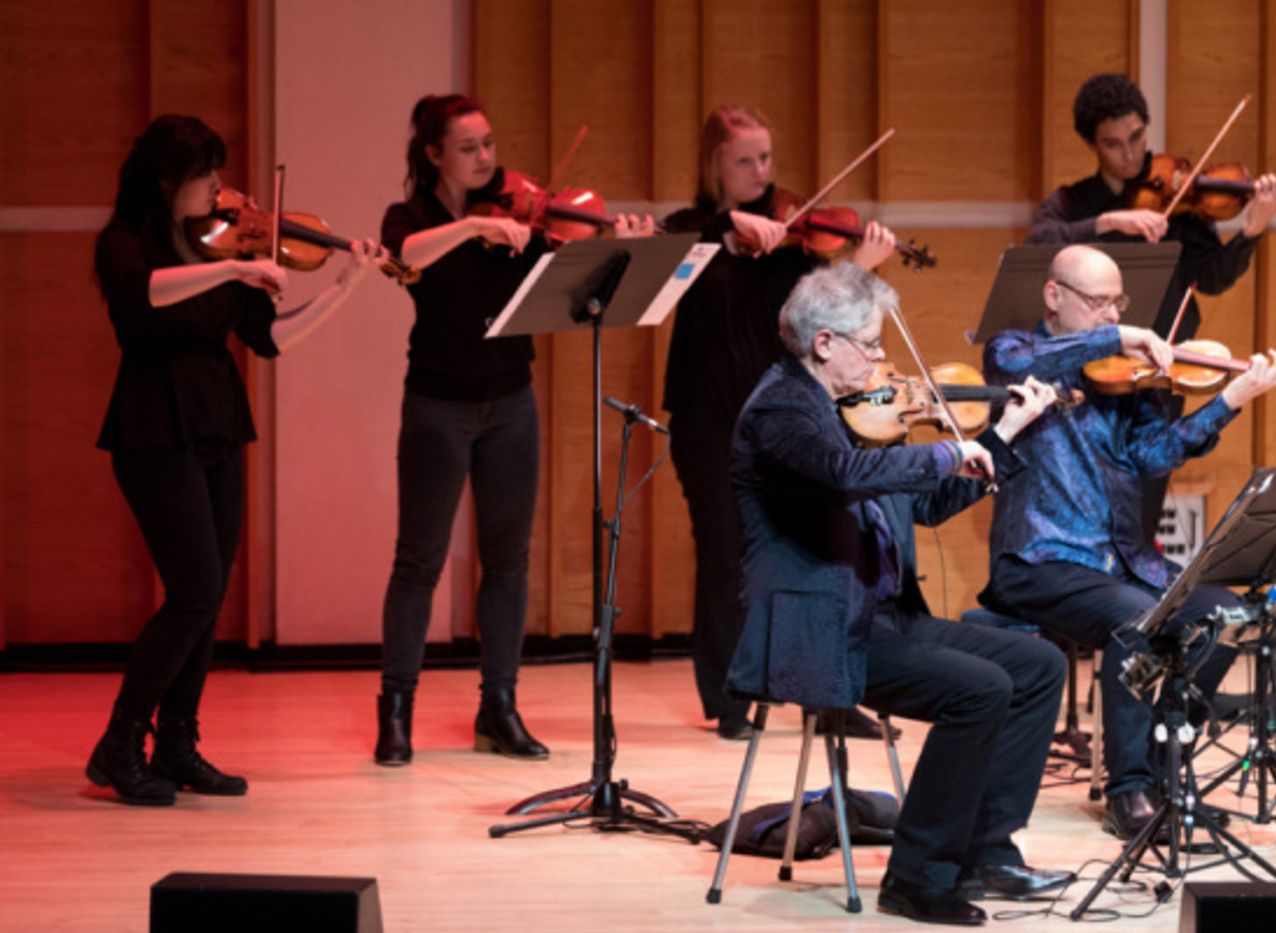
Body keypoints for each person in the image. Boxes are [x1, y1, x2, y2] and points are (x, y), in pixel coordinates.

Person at [728, 263, 1073, 926]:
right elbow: (841, 475)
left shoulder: (850, 412)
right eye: (871, 343)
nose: (884, 357)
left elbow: (931, 505)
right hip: (827, 628)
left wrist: (1003, 434)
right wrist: (946, 451)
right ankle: (917, 876)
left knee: (1039, 666)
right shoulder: (781, 409)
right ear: (824, 343)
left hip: (883, 615)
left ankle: (988, 852)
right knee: (981, 689)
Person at [87, 114, 383, 806]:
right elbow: (143, 296)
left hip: (218, 424)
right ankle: (120, 740)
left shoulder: (218, 246)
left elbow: (271, 335)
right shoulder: (125, 244)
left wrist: (346, 287)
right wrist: (237, 266)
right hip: (154, 430)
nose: (224, 190)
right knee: (192, 591)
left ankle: (179, 742)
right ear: (168, 182)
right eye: (208, 175)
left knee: (209, 596)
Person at [979, 244, 1276, 840]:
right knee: (1138, 618)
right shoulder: (1013, 352)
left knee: (1225, 613)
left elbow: (1148, 455)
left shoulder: (1132, 380)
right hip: (1040, 560)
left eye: (1118, 303)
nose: (1111, 315)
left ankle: (1161, 774)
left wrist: (1229, 401)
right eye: (1097, 302)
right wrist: (1115, 338)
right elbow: (1016, 368)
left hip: (1122, 564)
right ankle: (1126, 793)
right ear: (1054, 297)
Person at [374, 94, 652, 766]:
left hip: (511, 404)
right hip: (437, 405)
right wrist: (472, 228)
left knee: (509, 560)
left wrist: (622, 251)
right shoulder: (411, 218)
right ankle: (396, 707)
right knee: (420, 560)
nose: (486, 159)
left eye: (489, 144)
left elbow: (574, 278)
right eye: (468, 148)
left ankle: (498, 705)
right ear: (434, 154)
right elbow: (403, 256)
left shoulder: (522, 215)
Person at [662, 105, 896, 741]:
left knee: (824, 547)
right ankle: (733, 697)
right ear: (715, 165)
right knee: (727, 556)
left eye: (765, 158)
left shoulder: (795, 234)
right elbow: (674, 266)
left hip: (784, 416)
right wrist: (725, 230)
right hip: (710, 419)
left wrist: (860, 270)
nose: (761, 172)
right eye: (745, 160)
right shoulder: (690, 232)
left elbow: (824, 321)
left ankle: (831, 696)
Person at [1028, 72, 1276, 342]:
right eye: (1113, 144)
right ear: (1091, 144)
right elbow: (1037, 244)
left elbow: (1211, 280)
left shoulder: (1179, 201)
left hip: (1165, 355)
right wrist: (1107, 222)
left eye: (1136, 136)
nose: (1129, 154)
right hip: (1088, 360)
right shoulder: (1073, 201)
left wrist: (1252, 230)